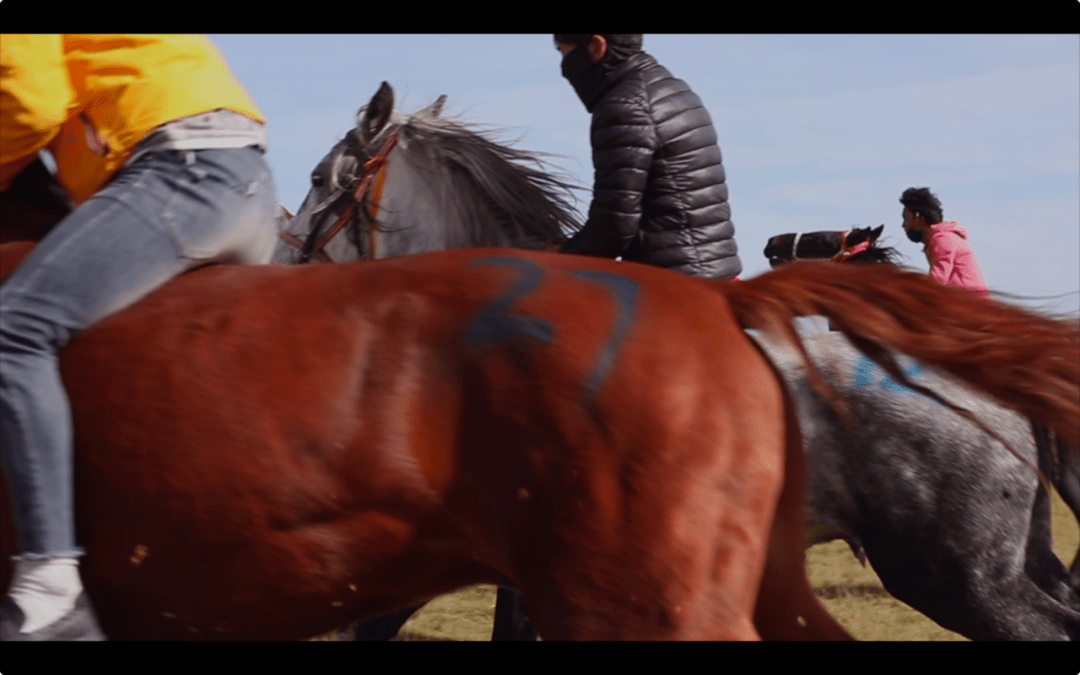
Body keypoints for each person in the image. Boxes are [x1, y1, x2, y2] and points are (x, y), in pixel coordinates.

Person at [0, 34, 281, 640]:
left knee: (11, 332)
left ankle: (49, 586)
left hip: (179, 171)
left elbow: (30, 101)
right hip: (242, 178)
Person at [554, 34, 742, 280]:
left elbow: (614, 225)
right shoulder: (670, 87)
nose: (564, 68)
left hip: (675, 286)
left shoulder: (624, 106)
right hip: (717, 276)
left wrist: (560, 255)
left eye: (565, 53)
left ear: (597, 46)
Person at [899, 187, 990, 298]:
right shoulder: (940, 238)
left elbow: (937, 282)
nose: (903, 225)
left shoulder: (942, 240)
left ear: (919, 218)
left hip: (969, 307)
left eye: (905, 219)